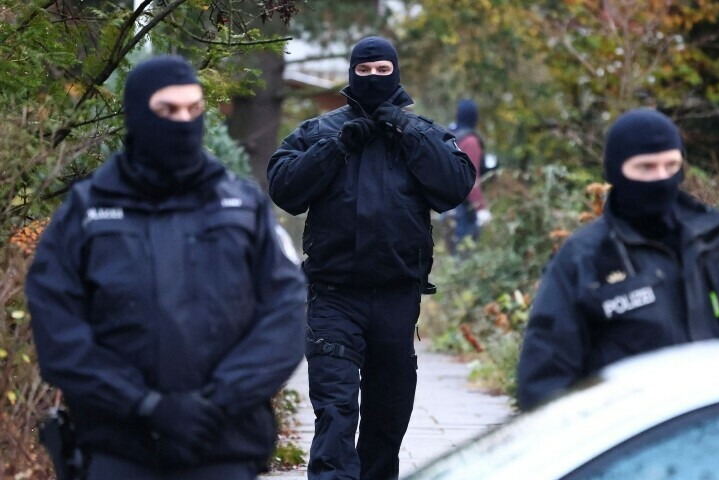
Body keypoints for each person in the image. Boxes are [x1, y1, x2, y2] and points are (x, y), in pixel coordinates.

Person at [25, 55, 306, 479]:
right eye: (167, 110)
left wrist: (219, 401)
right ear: (140, 114)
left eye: (193, 109)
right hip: (119, 449)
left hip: (223, 446)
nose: (182, 121)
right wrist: (144, 404)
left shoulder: (242, 207)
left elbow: (286, 313)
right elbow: (59, 332)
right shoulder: (86, 213)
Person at [268, 36, 476, 480]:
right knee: (336, 413)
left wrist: (406, 129)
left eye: (383, 71)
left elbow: (454, 187)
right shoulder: (319, 132)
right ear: (350, 74)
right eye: (365, 71)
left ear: (396, 73)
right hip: (333, 296)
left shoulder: (421, 132)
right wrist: (337, 146)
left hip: (398, 298)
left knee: (387, 420)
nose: (374, 79)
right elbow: (285, 189)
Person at [516, 108, 719, 411]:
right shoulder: (585, 258)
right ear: (616, 172)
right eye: (646, 168)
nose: (661, 178)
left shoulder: (718, 241)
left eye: (671, 165)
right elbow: (544, 383)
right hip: (637, 445)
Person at [448, 99, 491, 251]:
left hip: (446, 204)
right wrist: (481, 209)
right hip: (465, 208)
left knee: (453, 250)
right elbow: (471, 179)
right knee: (465, 252)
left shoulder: (450, 135)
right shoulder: (470, 141)